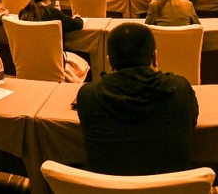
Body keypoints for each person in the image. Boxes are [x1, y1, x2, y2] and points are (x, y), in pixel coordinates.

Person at [75, 23, 198, 175]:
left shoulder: (88, 96)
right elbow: (191, 123)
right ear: (155, 57)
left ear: (109, 62)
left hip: (108, 186)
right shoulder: (181, 90)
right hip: (173, 185)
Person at [18, 0, 84, 37]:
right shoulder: (53, 14)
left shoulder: (23, 13)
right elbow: (77, 25)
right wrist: (77, 18)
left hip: (28, 49)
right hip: (53, 49)